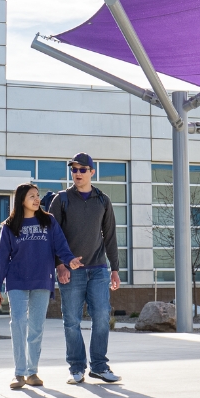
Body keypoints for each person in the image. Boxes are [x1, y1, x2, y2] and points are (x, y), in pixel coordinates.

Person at [0, 183, 79, 389]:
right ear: (21, 199)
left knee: (36, 328)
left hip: (42, 280)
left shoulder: (48, 221)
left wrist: (70, 260)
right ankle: (19, 373)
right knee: (19, 323)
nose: (36, 199)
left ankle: (32, 372)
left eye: (38, 195)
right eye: (31, 196)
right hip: (17, 281)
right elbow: (2, 259)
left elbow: (61, 245)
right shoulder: (10, 225)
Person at [50, 152, 121, 385]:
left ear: (92, 172)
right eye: (74, 169)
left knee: (101, 316)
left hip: (99, 268)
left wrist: (115, 269)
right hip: (71, 271)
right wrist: (59, 265)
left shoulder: (103, 200)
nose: (77, 173)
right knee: (71, 320)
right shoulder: (61, 200)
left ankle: (99, 366)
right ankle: (76, 367)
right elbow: (53, 236)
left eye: (82, 169)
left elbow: (110, 236)